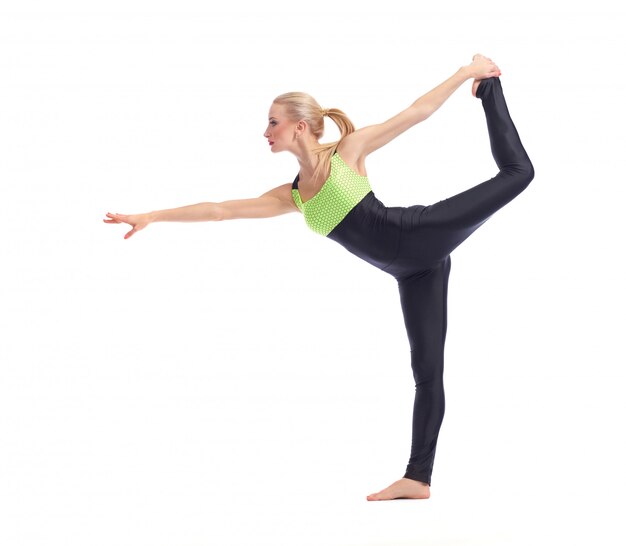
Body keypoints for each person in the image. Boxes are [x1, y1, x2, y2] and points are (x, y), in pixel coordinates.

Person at [104, 54, 534, 501]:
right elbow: (218, 211)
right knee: (427, 373)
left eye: (272, 122)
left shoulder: (347, 153)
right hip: (413, 273)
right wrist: (151, 215)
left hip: (419, 233)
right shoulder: (292, 196)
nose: (265, 131)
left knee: (519, 174)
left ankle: (489, 88)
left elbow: (416, 113)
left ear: (300, 126)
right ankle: (417, 479)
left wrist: (468, 73)